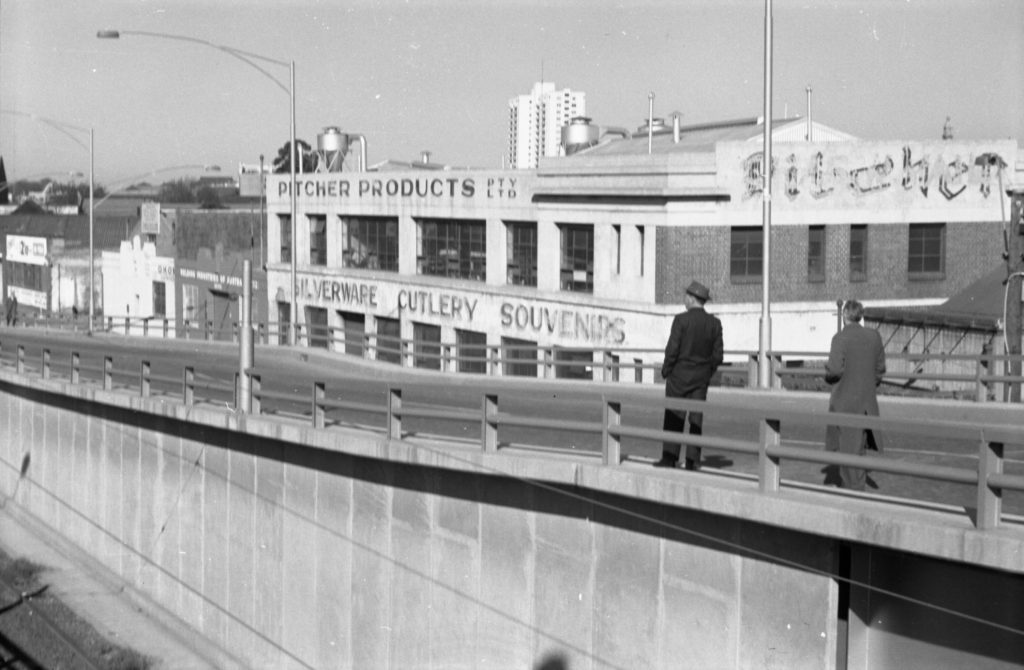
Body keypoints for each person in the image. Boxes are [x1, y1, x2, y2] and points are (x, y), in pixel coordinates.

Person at [655, 280, 723, 470]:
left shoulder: (681, 320)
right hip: (700, 379)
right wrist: (706, 372)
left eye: (686, 296)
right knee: (696, 420)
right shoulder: (714, 324)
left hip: (678, 377)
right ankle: (693, 460)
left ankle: (670, 458)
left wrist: (666, 370)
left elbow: (672, 349)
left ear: (692, 299)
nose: (684, 299)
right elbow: (718, 355)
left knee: (673, 418)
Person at [824, 299, 886, 490]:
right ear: (860, 316)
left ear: (844, 316)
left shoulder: (840, 338)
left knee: (848, 450)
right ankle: (858, 489)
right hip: (867, 402)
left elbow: (834, 369)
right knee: (859, 450)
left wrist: (827, 374)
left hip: (845, 402)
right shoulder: (874, 336)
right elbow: (880, 369)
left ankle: (853, 494)